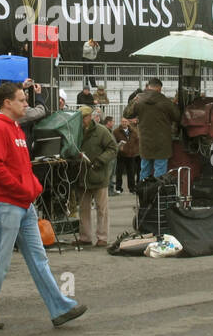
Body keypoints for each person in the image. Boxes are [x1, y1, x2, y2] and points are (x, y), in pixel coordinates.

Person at [0, 83, 85, 330]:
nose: (27, 104)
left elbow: (22, 166)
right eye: (22, 100)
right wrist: (26, 189)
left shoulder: (14, 128)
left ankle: (60, 307)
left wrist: (32, 187)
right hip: (7, 203)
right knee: (0, 261)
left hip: (21, 202)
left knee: (38, 259)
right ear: (7, 103)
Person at [123, 77, 180, 181]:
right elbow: (177, 116)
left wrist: (132, 101)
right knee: (160, 172)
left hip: (145, 142)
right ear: (159, 88)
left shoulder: (139, 100)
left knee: (144, 170)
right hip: (162, 143)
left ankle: (144, 195)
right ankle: (157, 195)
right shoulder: (165, 102)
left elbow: (126, 114)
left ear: (148, 86)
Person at [76, 106, 117, 246]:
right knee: (83, 208)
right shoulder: (77, 132)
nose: (82, 121)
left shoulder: (101, 131)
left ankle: (102, 237)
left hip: (99, 175)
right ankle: (85, 237)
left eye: (84, 118)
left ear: (90, 117)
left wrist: (100, 161)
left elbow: (112, 148)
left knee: (102, 209)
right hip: (83, 175)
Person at [113, 116, 139, 194]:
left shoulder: (134, 131)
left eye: (125, 121)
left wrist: (135, 151)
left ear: (128, 122)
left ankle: (132, 188)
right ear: (121, 122)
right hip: (121, 155)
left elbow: (137, 142)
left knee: (131, 173)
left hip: (131, 155)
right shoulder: (116, 131)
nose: (124, 123)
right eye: (122, 121)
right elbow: (114, 142)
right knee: (119, 172)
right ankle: (118, 188)